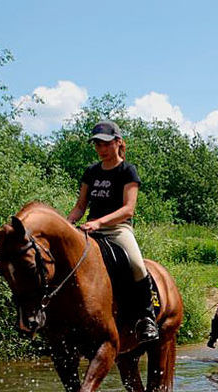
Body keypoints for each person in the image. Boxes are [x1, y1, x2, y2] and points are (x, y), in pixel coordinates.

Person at [67, 120, 159, 344]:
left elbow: (128, 209)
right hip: (90, 230)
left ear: (118, 143)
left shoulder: (127, 170)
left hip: (118, 229)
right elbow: (81, 206)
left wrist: (99, 223)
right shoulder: (91, 171)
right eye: (97, 145)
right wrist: (67, 224)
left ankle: (146, 317)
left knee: (137, 264)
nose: (101, 149)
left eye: (105, 144)